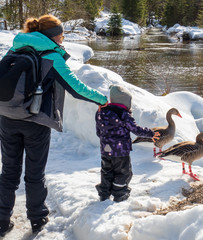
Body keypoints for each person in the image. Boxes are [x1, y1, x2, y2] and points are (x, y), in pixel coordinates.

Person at [0, 15, 108, 237]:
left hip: (7, 118)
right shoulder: (51, 56)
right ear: (51, 35)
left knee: (9, 171)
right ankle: (38, 219)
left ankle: (1, 220)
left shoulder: (14, 50)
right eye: (61, 33)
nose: (63, 37)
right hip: (35, 122)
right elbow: (76, 88)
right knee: (35, 172)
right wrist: (103, 100)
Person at [95, 85, 159, 202]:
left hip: (105, 149)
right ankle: (119, 194)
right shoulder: (124, 115)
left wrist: (106, 140)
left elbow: (98, 131)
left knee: (106, 171)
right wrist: (151, 133)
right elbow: (136, 129)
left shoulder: (100, 112)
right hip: (120, 151)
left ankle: (104, 194)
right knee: (123, 173)